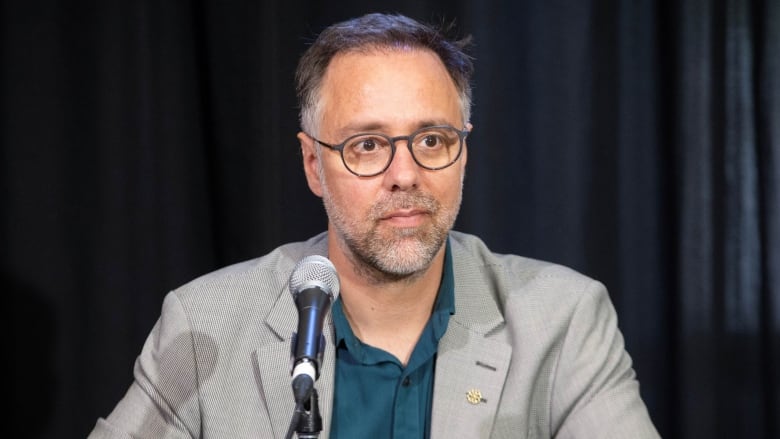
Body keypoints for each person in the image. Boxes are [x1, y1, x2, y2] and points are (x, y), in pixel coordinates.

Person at [89, 13, 659, 439]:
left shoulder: (563, 321)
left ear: (464, 154)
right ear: (314, 164)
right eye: (367, 146)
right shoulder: (204, 326)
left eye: (431, 140)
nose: (405, 175)